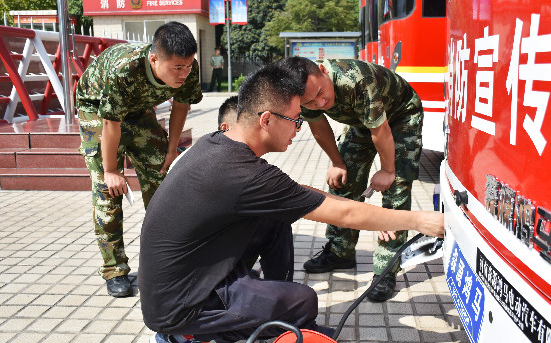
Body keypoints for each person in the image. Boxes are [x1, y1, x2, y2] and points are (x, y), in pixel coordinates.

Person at [139, 64, 442, 343]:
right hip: (181, 308)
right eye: (296, 119)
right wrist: (418, 221)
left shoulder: (216, 144)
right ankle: (194, 336)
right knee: (303, 301)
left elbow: (298, 193)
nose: (299, 129)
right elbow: (345, 213)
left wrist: (380, 216)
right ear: (267, 120)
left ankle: (264, 303)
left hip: (186, 279)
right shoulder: (244, 174)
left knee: (275, 219)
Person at [276, 57, 424, 302]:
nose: (320, 103)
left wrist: (387, 170)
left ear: (323, 70)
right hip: (363, 121)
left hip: (400, 116)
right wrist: (337, 162)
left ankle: (386, 269)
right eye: (310, 102)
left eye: (321, 93)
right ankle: (340, 251)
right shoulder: (300, 93)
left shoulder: (357, 80)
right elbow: (319, 127)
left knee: (396, 188)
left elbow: (381, 131)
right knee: (344, 181)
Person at [76, 21, 203, 297]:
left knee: (163, 181)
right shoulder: (125, 71)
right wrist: (111, 170)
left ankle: (166, 262)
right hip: (97, 109)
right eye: (177, 68)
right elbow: (111, 124)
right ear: (155, 59)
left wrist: (171, 148)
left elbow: (181, 105)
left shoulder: (187, 66)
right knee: (107, 192)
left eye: (189, 66)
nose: (184, 73)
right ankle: (115, 269)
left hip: (138, 110)